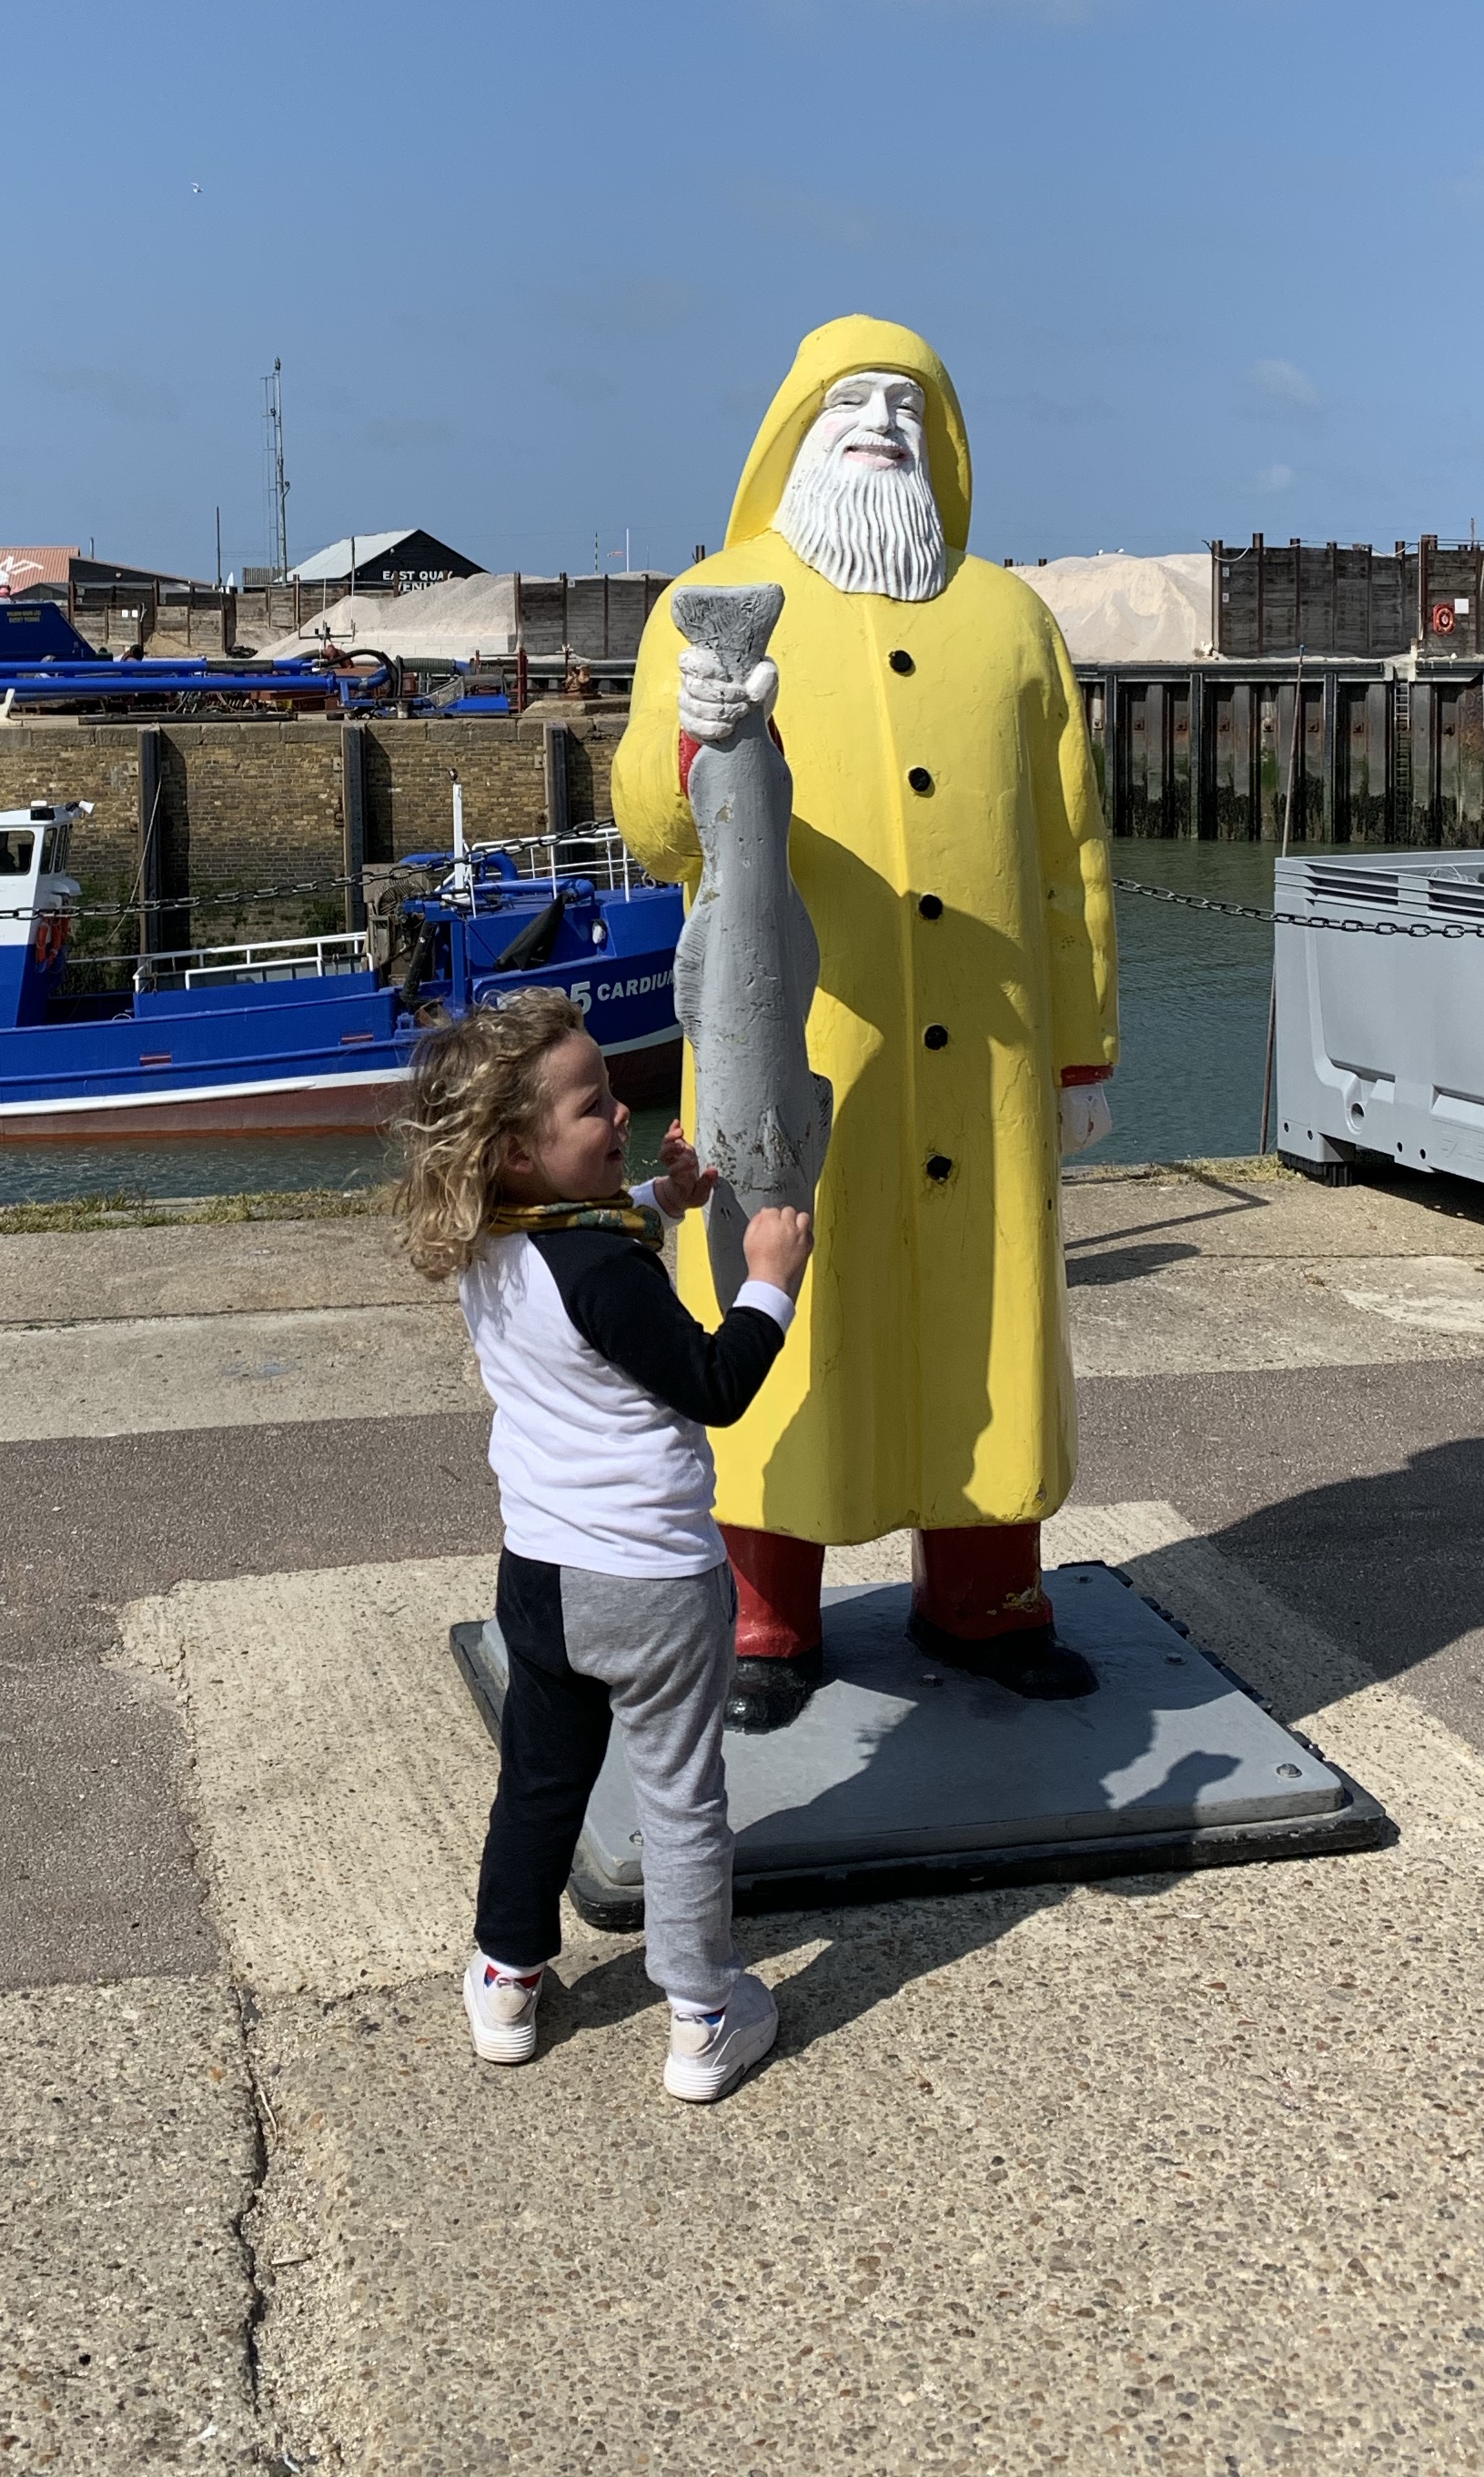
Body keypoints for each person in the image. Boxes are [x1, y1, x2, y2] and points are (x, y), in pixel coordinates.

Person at [613, 316, 1118, 1726]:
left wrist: (1083, 1046)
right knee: (788, 1302)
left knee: (988, 1313)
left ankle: (989, 1591)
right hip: (795, 1041)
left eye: (910, 399)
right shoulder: (706, 604)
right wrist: (694, 735)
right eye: (853, 397)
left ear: (943, 436)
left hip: (994, 1060)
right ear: (795, 427)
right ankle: (766, 1613)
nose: (882, 419)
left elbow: (1074, 849)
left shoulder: (1012, 620)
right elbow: (655, 832)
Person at [397, 989, 813, 2104]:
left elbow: (588, 1239)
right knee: (679, 1796)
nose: (621, 1110)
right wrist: (768, 1278)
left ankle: (506, 1980)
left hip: (539, 1579)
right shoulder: (608, 1277)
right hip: (652, 1585)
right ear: (520, 1152)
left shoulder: (494, 1239)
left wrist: (659, 1197)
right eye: (593, 1107)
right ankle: (704, 2017)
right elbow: (717, 1384)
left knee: (540, 1779)